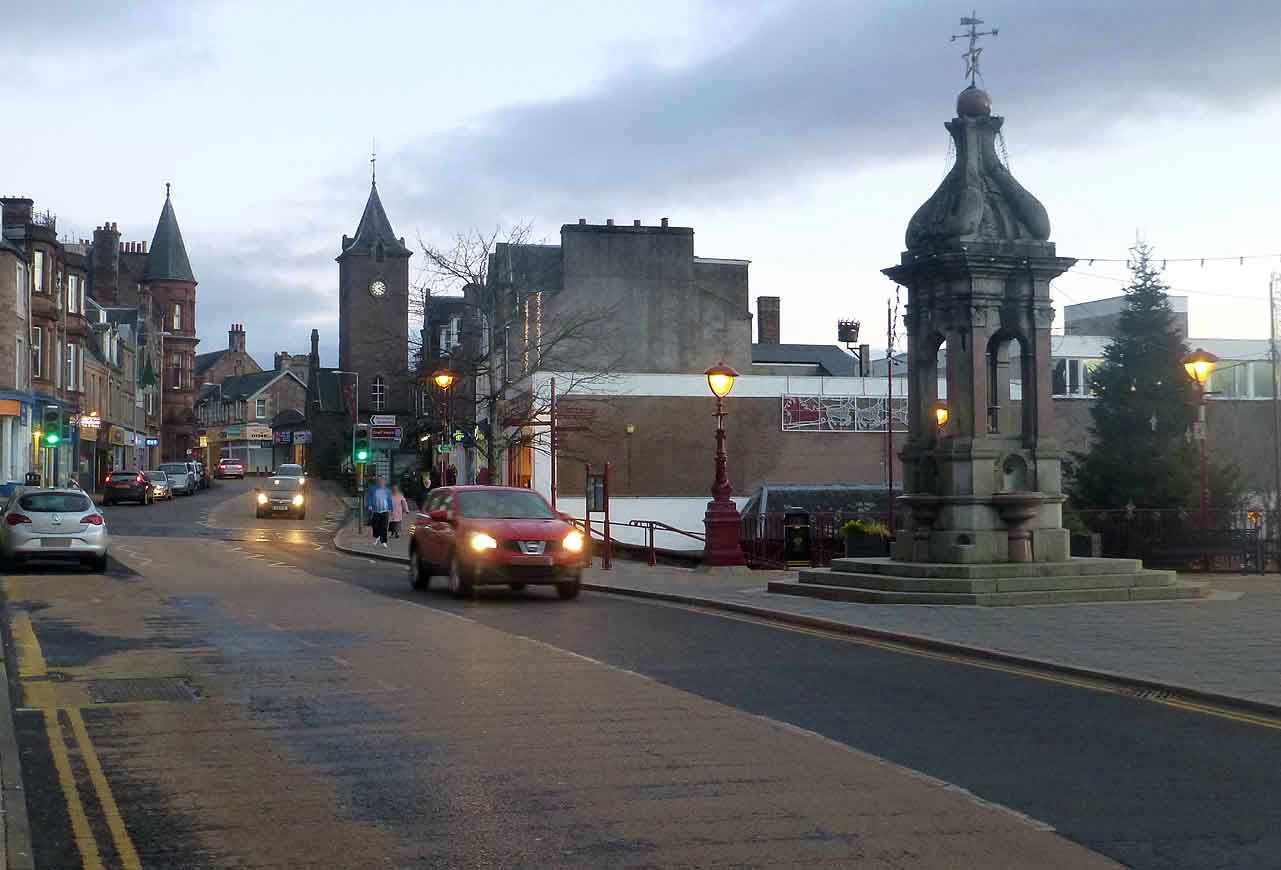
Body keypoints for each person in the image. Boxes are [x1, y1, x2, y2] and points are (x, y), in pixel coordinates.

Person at [366, 477, 393, 547]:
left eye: (383, 481)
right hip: (376, 510)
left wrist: (390, 509)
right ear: (378, 482)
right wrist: (369, 505)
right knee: (375, 525)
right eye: (380, 481)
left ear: (385, 482)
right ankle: (377, 536)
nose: (382, 482)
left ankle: (384, 541)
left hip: (385, 511)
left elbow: (390, 500)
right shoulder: (373, 489)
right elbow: (369, 497)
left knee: (384, 526)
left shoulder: (388, 490)